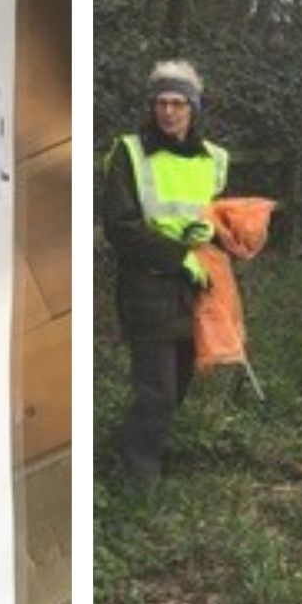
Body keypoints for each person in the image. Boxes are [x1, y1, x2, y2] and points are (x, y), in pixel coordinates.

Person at [99, 60, 227, 491]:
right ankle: (140, 479)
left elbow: (218, 214)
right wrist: (176, 256)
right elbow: (121, 227)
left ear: (193, 109)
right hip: (147, 285)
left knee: (181, 379)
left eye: (178, 103)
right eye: (161, 103)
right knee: (157, 389)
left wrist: (213, 233)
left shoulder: (213, 159)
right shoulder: (129, 154)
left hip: (196, 289)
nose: (169, 112)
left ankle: (144, 447)